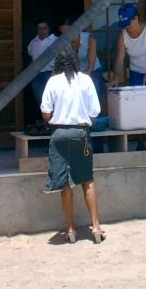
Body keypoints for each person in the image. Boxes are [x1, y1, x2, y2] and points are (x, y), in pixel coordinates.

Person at [41, 48, 105, 244]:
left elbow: (45, 112)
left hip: (59, 134)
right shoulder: (86, 80)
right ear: (76, 62)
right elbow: (95, 111)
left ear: (58, 64)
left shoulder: (53, 81)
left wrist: (55, 118)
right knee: (87, 180)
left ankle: (70, 230)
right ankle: (96, 226)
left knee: (65, 183)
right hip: (81, 133)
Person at [110, 3, 146, 86]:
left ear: (136, 18)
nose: (127, 27)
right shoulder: (122, 36)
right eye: (124, 25)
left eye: (128, 24)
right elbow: (120, 59)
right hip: (136, 71)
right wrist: (116, 77)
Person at [60, 17, 104, 105]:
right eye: (63, 33)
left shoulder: (89, 38)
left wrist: (86, 76)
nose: (66, 35)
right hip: (76, 73)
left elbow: (91, 61)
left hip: (93, 71)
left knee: (95, 99)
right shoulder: (64, 43)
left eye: (67, 31)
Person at [27, 19, 58, 108]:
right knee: (41, 101)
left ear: (49, 28)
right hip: (37, 75)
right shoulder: (33, 43)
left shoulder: (56, 40)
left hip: (52, 74)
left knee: (55, 101)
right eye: (40, 28)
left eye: (44, 28)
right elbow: (32, 59)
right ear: (37, 30)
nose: (42, 31)